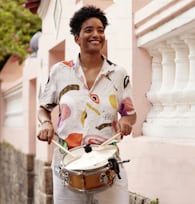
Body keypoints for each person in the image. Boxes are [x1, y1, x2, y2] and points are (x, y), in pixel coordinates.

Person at [36, 5, 136, 204]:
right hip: (68, 164)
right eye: (88, 30)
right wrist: (45, 124)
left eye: (100, 30)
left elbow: (130, 113)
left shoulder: (118, 74)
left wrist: (126, 122)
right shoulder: (60, 71)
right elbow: (43, 108)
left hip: (107, 164)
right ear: (76, 38)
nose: (96, 34)